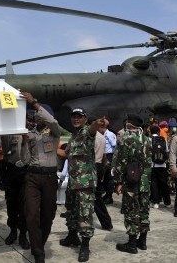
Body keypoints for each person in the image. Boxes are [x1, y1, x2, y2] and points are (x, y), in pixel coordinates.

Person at [20, 92, 60, 263]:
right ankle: (38, 253)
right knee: (31, 215)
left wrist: (34, 103)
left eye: (40, 113)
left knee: (48, 215)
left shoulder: (54, 132)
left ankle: (39, 244)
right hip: (33, 177)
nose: (37, 116)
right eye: (36, 114)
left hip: (50, 177)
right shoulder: (30, 135)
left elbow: (53, 121)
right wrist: (24, 141)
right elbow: (25, 160)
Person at [60, 107, 104, 262]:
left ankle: (85, 246)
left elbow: (92, 130)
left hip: (85, 183)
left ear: (85, 119)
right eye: (74, 116)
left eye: (79, 117)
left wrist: (97, 124)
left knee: (85, 215)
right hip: (73, 182)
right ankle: (72, 237)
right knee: (71, 211)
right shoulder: (73, 136)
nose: (76, 119)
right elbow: (66, 155)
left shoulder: (87, 132)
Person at [112, 114, 152, 254]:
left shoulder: (126, 139)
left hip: (131, 182)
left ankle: (132, 244)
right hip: (145, 182)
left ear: (129, 124)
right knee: (144, 211)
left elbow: (120, 162)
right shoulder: (147, 140)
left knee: (131, 211)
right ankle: (143, 241)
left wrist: (117, 181)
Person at [1, 133, 30, 249]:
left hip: (27, 171)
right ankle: (13, 231)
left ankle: (23, 234)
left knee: (24, 205)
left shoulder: (33, 132)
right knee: (11, 203)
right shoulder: (11, 131)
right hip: (11, 170)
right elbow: (5, 149)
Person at [92, 120, 113, 230]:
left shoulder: (92, 137)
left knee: (95, 197)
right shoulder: (101, 137)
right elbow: (104, 156)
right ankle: (106, 223)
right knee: (97, 197)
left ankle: (106, 222)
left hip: (91, 167)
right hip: (99, 166)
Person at [149, 125, 171, 209]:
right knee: (164, 184)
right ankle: (167, 202)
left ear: (150, 132)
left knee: (154, 184)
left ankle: (155, 202)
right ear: (158, 132)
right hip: (162, 165)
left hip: (152, 165)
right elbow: (167, 151)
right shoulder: (163, 140)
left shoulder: (149, 140)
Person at [99, 119, 116, 205]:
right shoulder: (104, 134)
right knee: (105, 177)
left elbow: (115, 145)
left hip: (110, 156)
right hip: (105, 156)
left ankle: (109, 196)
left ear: (103, 127)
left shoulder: (109, 134)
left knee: (109, 177)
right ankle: (106, 194)